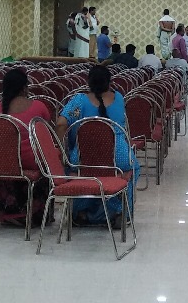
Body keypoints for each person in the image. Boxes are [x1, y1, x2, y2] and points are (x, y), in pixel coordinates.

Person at [56, 65, 138, 228]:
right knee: (132, 168)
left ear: (89, 82)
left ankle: (81, 211)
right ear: (110, 82)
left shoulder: (79, 101)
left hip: (84, 158)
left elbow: (60, 124)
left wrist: (62, 149)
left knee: (76, 171)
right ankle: (119, 211)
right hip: (118, 157)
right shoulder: (119, 98)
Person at [0, 68, 51, 225]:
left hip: (3, 161)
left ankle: (9, 212)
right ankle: (37, 213)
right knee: (50, 156)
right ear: (25, 87)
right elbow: (46, 134)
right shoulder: (38, 106)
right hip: (31, 160)